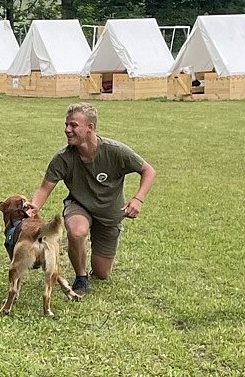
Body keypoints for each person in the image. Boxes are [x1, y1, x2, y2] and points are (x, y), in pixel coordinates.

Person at [27, 102, 155, 297]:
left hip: (109, 215)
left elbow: (148, 170)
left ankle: (95, 264)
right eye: (66, 125)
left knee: (102, 273)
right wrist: (33, 207)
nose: (67, 130)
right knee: (77, 231)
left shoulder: (114, 151)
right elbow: (44, 189)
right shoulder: (63, 158)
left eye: (73, 125)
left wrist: (138, 199)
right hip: (80, 205)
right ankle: (81, 277)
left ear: (90, 127)